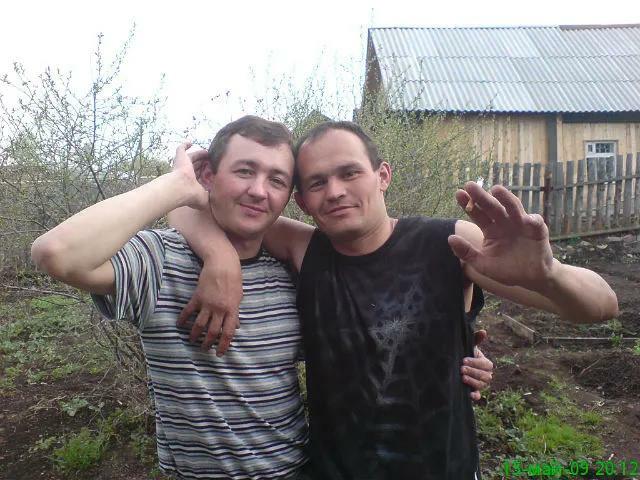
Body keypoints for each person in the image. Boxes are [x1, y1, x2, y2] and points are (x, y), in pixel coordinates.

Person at [30, 116, 493, 480]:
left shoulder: (295, 270)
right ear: (208, 175)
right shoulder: (160, 261)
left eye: (277, 179)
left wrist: (453, 355)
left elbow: (366, 338)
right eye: (244, 171)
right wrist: (178, 190)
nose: (258, 190)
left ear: (290, 197)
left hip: (300, 470)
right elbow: (58, 253)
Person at [174, 120, 618, 480]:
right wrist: (220, 257)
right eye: (317, 182)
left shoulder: (448, 244)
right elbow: (190, 203)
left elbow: (602, 306)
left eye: (350, 173)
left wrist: (549, 275)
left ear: (382, 175)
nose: (335, 191)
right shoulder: (304, 249)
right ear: (303, 201)